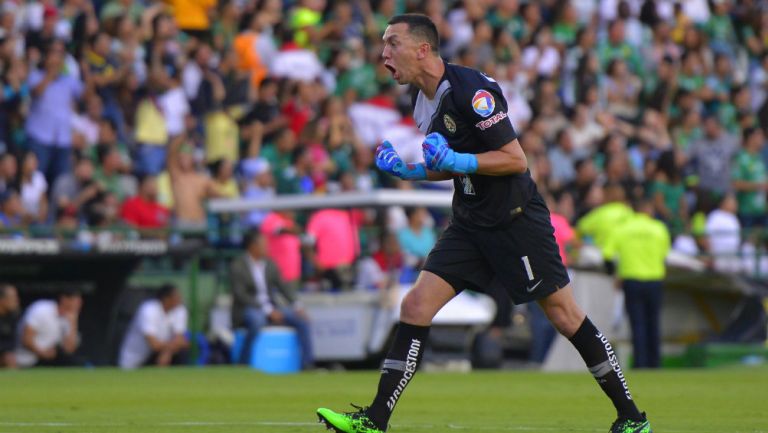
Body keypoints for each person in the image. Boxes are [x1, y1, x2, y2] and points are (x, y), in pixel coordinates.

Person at [317, 14, 651, 433]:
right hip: (470, 223)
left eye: (392, 43)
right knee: (415, 305)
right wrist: (414, 172)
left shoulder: (471, 91)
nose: (383, 53)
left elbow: (515, 159)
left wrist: (459, 161)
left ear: (423, 49)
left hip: (516, 221)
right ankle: (373, 421)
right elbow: (452, 166)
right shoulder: (421, 100)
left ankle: (632, 418)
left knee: (565, 316)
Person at [230, 230, 313, 369]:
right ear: (253, 246)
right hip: (248, 309)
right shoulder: (237, 266)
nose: (267, 247)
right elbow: (241, 295)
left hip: (271, 307)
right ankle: (243, 363)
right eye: (263, 244)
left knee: (301, 320)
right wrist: (268, 311)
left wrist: (297, 305)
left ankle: (307, 364)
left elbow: (283, 286)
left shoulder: (270, 265)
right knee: (257, 321)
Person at [604, 199, 671, 369]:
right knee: (653, 322)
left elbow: (607, 255)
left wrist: (613, 273)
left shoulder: (623, 229)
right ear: (649, 209)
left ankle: (640, 363)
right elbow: (665, 253)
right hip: (654, 279)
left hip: (632, 280)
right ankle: (655, 363)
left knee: (637, 323)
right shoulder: (659, 228)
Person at [118, 284, 189, 369]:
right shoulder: (148, 309)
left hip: (160, 354)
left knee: (182, 353)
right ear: (166, 299)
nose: (180, 299)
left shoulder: (180, 310)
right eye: (176, 296)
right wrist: (170, 347)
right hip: (135, 359)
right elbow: (153, 344)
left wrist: (167, 352)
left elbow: (180, 339)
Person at [15, 289, 82, 367]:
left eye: (80, 302)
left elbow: (69, 349)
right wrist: (43, 353)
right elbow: (26, 339)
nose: (78, 305)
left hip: (47, 361)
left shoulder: (69, 318)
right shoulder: (41, 309)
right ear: (64, 299)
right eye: (76, 301)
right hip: (25, 359)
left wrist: (73, 323)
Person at [0, 284, 20, 368]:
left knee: (10, 358)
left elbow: (12, 342)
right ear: (2, 300)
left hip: (5, 355)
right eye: (13, 297)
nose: (17, 300)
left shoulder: (12, 317)